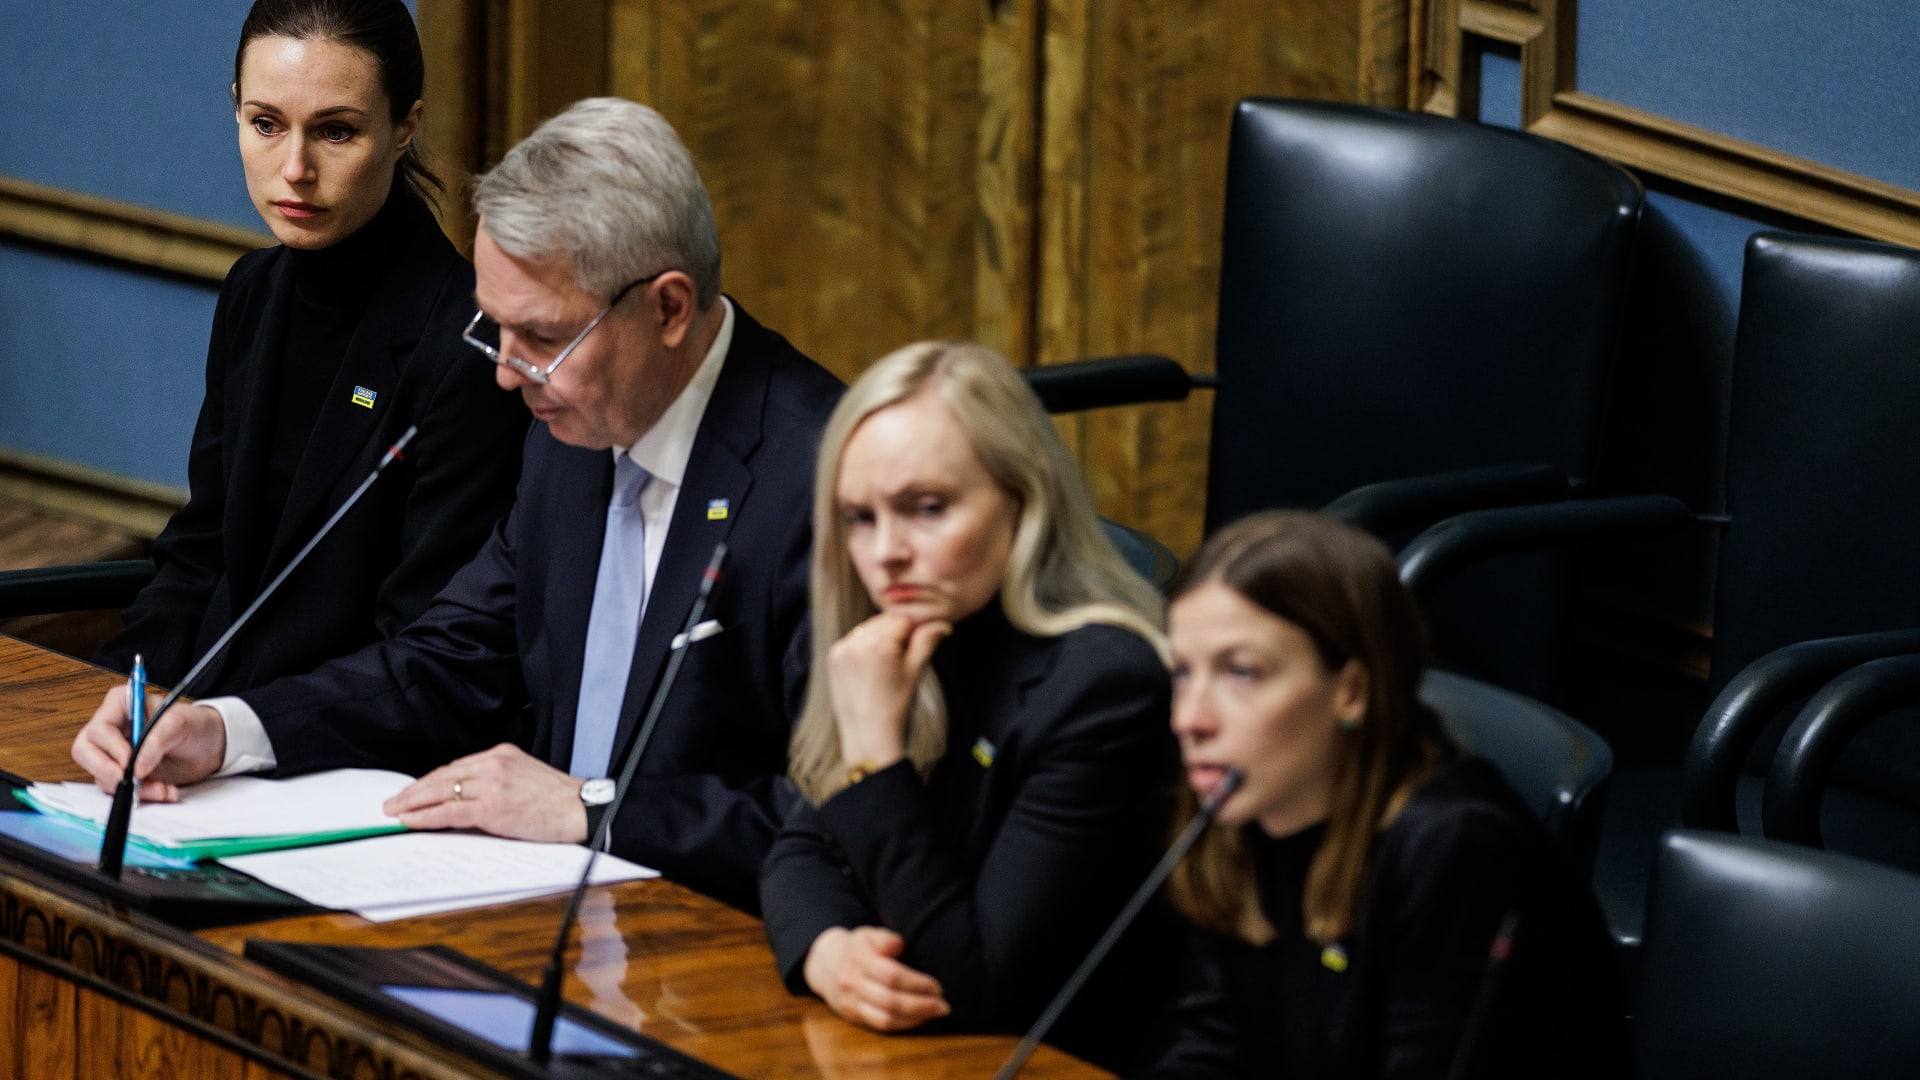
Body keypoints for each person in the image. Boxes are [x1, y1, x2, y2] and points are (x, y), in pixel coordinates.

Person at [72, 96, 845, 913]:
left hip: (721, 933)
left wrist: (595, 811)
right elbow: (449, 662)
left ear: (668, 308)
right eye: (494, 330)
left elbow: (853, 820)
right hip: (536, 904)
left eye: (541, 338)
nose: (506, 374)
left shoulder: (829, 485)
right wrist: (227, 730)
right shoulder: (570, 430)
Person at [759, 341, 1181, 1071]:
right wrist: (827, 949)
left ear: (1024, 498)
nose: (887, 552)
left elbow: (976, 982)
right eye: (860, 517)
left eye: (927, 508)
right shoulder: (912, 635)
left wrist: (875, 757)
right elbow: (798, 851)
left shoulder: (1106, 683)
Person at [94, 0, 527, 695]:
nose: (295, 168)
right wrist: (113, 695)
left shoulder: (467, 346)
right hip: (195, 713)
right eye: (266, 124)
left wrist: (234, 733)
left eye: (336, 131)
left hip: (327, 735)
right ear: (236, 110)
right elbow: (199, 555)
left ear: (404, 128)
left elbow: (424, 650)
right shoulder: (252, 291)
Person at [1145, 511, 1632, 1078]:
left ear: (1351, 691)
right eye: (1182, 673)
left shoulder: (1457, 850)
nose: (1189, 718)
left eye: (1242, 673)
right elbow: (1214, 1044)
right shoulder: (1248, 804)